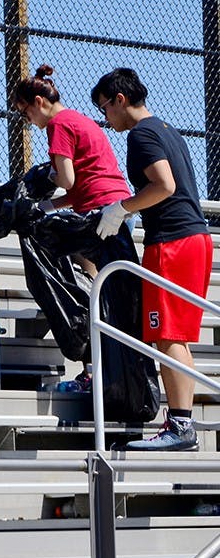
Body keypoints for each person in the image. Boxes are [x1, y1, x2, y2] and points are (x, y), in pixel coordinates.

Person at [91, 68, 212, 451]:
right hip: (195, 237)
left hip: (174, 241)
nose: (106, 121)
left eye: (105, 109)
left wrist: (121, 208)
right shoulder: (167, 129)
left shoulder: (142, 134)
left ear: (120, 100)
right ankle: (182, 423)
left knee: (166, 334)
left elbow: (164, 185)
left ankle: (180, 427)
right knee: (174, 335)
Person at [13, 64, 132, 276]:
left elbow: (67, 180)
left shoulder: (57, 124)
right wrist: (46, 205)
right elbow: (80, 189)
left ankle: (83, 305)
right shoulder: (79, 119)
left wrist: (51, 176)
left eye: (25, 113)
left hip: (98, 211)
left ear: (38, 102)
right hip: (118, 206)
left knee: (53, 243)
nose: (28, 121)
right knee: (112, 283)